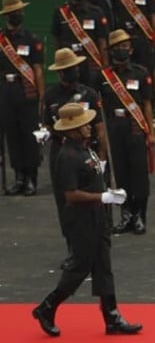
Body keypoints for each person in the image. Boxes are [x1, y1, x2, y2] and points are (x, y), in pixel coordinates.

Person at [31, 103, 142, 337]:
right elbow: (70, 194)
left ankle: (111, 316)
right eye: (84, 125)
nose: (89, 127)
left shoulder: (84, 149)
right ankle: (47, 307)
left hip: (97, 216)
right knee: (79, 268)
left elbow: (92, 174)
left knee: (104, 265)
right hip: (80, 219)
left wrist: (107, 190)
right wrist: (103, 196)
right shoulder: (68, 156)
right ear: (72, 130)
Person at [43, 48, 106, 269]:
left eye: (75, 67)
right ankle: (73, 248)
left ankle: (97, 245)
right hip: (62, 154)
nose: (74, 71)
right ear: (60, 72)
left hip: (87, 153)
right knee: (65, 202)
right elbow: (47, 126)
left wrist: (103, 159)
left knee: (93, 199)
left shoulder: (89, 94)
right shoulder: (51, 96)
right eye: (69, 69)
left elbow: (99, 128)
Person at [99, 30, 155, 235]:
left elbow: (147, 104)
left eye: (125, 46)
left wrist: (150, 132)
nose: (121, 50)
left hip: (135, 129)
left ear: (131, 50)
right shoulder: (103, 76)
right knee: (119, 175)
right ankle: (126, 215)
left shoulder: (140, 73)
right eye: (117, 47)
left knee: (139, 175)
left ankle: (140, 216)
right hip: (114, 130)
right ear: (111, 51)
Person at [0, 0, 45, 196]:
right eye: (15, 12)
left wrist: (41, 97)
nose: (19, 14)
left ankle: (31, 178)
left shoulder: (31, 39)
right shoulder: (1, 40)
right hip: (6, 91)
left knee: (29, 136)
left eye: (20, 11)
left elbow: (38, 70)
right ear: (7, 15)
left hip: (26, 91)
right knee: (12, 135)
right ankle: (18, 177)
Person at [52, 0, 109, 91]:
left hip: (92, 64)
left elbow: (102, 41)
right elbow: (57, 40)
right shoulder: (61, 13)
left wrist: (105, 66)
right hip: (70, 64)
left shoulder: (96, 12)